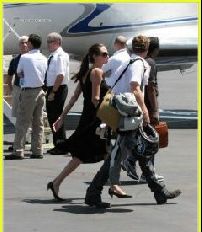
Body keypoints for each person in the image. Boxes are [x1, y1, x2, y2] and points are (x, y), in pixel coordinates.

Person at [85, 36, 181, 207]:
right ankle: (93, 193)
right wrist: (145, 111)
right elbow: (135, 87)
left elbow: (103, 75)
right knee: (117, 156)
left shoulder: (125, 60)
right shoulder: (139, 64)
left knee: (140, 152)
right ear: (147, 48)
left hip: (123, 112)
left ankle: (159, 192)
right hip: (129, 114)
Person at [47, 43, 111, 208]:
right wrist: (111, 109)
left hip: (87, 119)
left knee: (82, 156)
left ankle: (56, 182)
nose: (107, 56)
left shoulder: (86, 73)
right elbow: (95, 99)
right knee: (108, 154)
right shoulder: (96, 72)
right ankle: (110, 187)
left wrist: (62, 117)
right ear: (95, 56)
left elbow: (75, 97)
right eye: (104, 54)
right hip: (96, 120)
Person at [121, 37, 164, 183]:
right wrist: (154, 110)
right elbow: (150, 88)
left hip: (137, 105)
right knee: (151, 140)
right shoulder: (149, 63)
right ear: (154, 49)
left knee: (140, 138)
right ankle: (136, 165)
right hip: (146, 106)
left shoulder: (134, 61)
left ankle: (134, 164)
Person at [5, 34, 47, 160]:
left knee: (22, 122)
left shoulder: (25, 57)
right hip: (40, 91)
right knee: (38, 123)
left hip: (28, 92)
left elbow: (19, 72)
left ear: (30, 44)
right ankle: (37, 150)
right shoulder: (44, 58)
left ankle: (18, 151)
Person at [45, 32, 69, 155]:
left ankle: (61, 145)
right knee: (52, 117)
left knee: (56, 116)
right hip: (53, 87)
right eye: (48, 41)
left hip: (58, 88)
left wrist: (53, 92)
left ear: (58, 42)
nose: (48, 44)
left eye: (51, 41)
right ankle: (58, 144)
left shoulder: (60, 56)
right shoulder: (53, 55)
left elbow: (60, 75)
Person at [6, 36, 28, 118]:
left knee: (30, 113)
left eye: (26, 43)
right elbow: (9, 76)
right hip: (18, 88)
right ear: (19, 45)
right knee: (17, 114)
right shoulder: (15, 60)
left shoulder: (35, 59)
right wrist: (12, 90)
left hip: (31, 89)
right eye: (22, 43)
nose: (24, 45)